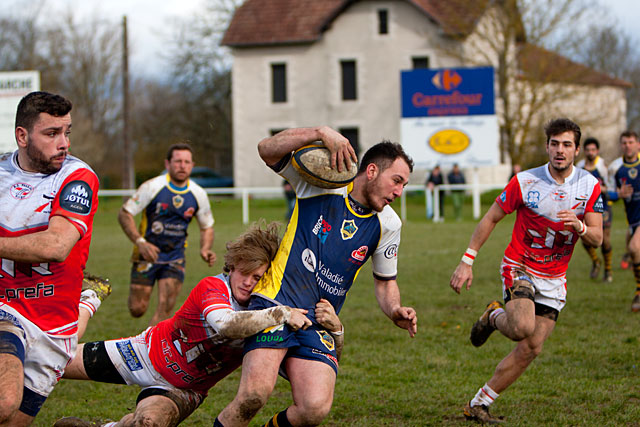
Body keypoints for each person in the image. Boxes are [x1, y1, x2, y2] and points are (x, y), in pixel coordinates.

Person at [215, 126, 417, 427]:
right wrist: (321, 133)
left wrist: (395, 310)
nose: (399, 192)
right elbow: (266, 149)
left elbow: (385, 282)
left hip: (319, 320)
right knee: (254, 395)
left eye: (404, 185)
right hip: (275, 303)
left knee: (314, 408)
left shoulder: (389, 224)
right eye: (396, 181)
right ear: (372, 170)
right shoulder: (322, 181)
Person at [56, 222, 342, 427]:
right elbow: (227, 324)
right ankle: (89, 299)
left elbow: (312, 366)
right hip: (142, 354)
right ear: (232, 265)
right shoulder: (214, 288)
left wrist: (336, 331)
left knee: (149, 423)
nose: (248, 282)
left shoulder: (266, 310)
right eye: (244, 272)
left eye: (258, 278)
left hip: (183, 391)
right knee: (52, 361)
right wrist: (281, 314)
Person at [450, 118, 603, 424]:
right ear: (547, 146)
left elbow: (598, 237)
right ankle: (494, 315)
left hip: (555, 277)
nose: (560, 150)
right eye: (555, 144)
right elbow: (491, 218)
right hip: (520, 265)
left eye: (567, 144)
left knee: (531, 347)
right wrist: (468, 260)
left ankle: (478, 404)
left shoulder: (590, 185)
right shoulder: (525, 181)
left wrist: (580, 225)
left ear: (576, 150)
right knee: (522, 327)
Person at [0, 91, 100, 425]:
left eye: (67, 132)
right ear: (22, 136)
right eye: (51, 133)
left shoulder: (78, 178)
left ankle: (87, 300)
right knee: (3, 401)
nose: (64, 143)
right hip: (7, 308)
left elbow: (55, 246)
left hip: (55, 329)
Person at [118, 143, 216, 326]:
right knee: (137, 308)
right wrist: (140, 242)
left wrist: (205, 248)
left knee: (165, 309)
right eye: (178, 161)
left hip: (175, 257)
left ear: (192, 165)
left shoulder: (198, 194)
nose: (182, 165)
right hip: (146, 254)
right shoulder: (152, 187)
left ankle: (146, 349)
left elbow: (207, 226)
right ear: (167, 164)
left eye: (187, 162)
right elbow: (125, 213)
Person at [576, 137, 613, 282]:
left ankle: (608, 271)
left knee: (605, 239)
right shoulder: (579, 166)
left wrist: (598, 187)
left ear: (597, 151)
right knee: (584, 237)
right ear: (584, 151)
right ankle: (596, 261)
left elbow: (610, 187)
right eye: (588, 150)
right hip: (585, 206)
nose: (590, 153)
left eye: (593, 150)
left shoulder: (603, 166)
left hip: (602, 205)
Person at [612, 131, 640, 312]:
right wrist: (618, 194)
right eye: (624, 143)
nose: (627, 145)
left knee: (634, 248)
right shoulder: (616, 169)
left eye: (631, 142)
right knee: (635, 252)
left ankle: (639, 292)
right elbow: (610, 196)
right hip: (632, 220)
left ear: (638, 144)